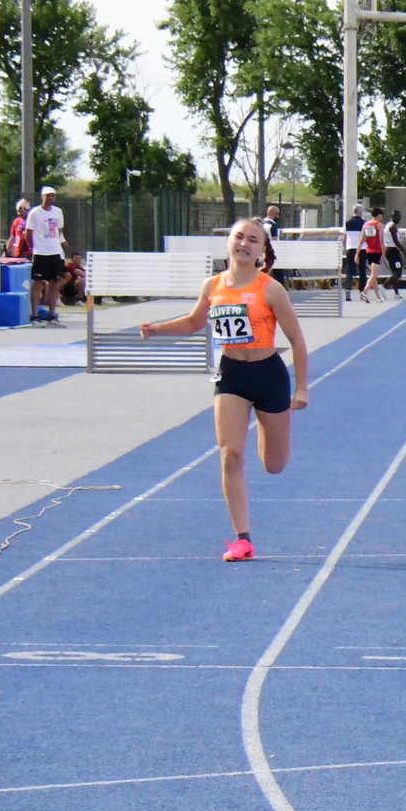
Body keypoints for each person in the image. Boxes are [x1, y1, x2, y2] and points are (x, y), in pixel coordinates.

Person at [139, 218, 310, 561]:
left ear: (262, 250)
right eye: (239, 237)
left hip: (269, 375)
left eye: (253, 240)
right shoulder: (213, 285)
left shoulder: (271, 289)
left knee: (274, 464)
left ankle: (267, 433)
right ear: (228, 242)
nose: (244, 244)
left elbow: (297, 339)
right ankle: (243, 540)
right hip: (231, 374)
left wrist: (302, 388)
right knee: (230, 455)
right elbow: (194, 322)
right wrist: (158, 329)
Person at [28, 186, 67, 324]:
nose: (50, 198)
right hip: (40, 252)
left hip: (54, 251)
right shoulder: (35, 213)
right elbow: (28, 232)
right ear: (42, 196)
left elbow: (59, 230)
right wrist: (33, 247)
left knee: (54, 283)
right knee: (38, 283)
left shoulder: (58, 211)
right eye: (47, 195)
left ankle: (52, 315)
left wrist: (54, 241)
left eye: (52, 196)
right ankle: (35, 315)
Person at [360, 207, 388, 303]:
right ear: (379, 215)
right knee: (373, 275)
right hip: (377, 251)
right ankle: (364, 292)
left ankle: (378, 296)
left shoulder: (366, 225)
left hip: (369, 251)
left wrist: (358, 251)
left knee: (373, 275)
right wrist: (383, 251)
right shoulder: (380, 225)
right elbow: (381, 240)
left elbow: (363, 239)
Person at [341, 205, 366, 300]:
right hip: (362, 248)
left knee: (350, 270)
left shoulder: (347, 223)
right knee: (362, 270)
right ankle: (362, 292)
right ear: (361, 212)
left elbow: (344, 237)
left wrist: (344, 247)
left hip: (350, 248)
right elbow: (366, 237)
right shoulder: (364, 223)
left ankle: (347, 289)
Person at [383, 209, 405, 296]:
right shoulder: (392, 227)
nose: (399, 218)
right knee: (398, 272)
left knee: (394, 272)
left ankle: (396, 293)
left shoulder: (388, 225)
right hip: (393, 251)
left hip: (389, 250)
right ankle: (384, 286)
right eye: (398, 217)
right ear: (393, 217)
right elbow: (396, 241)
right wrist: (405, 252)